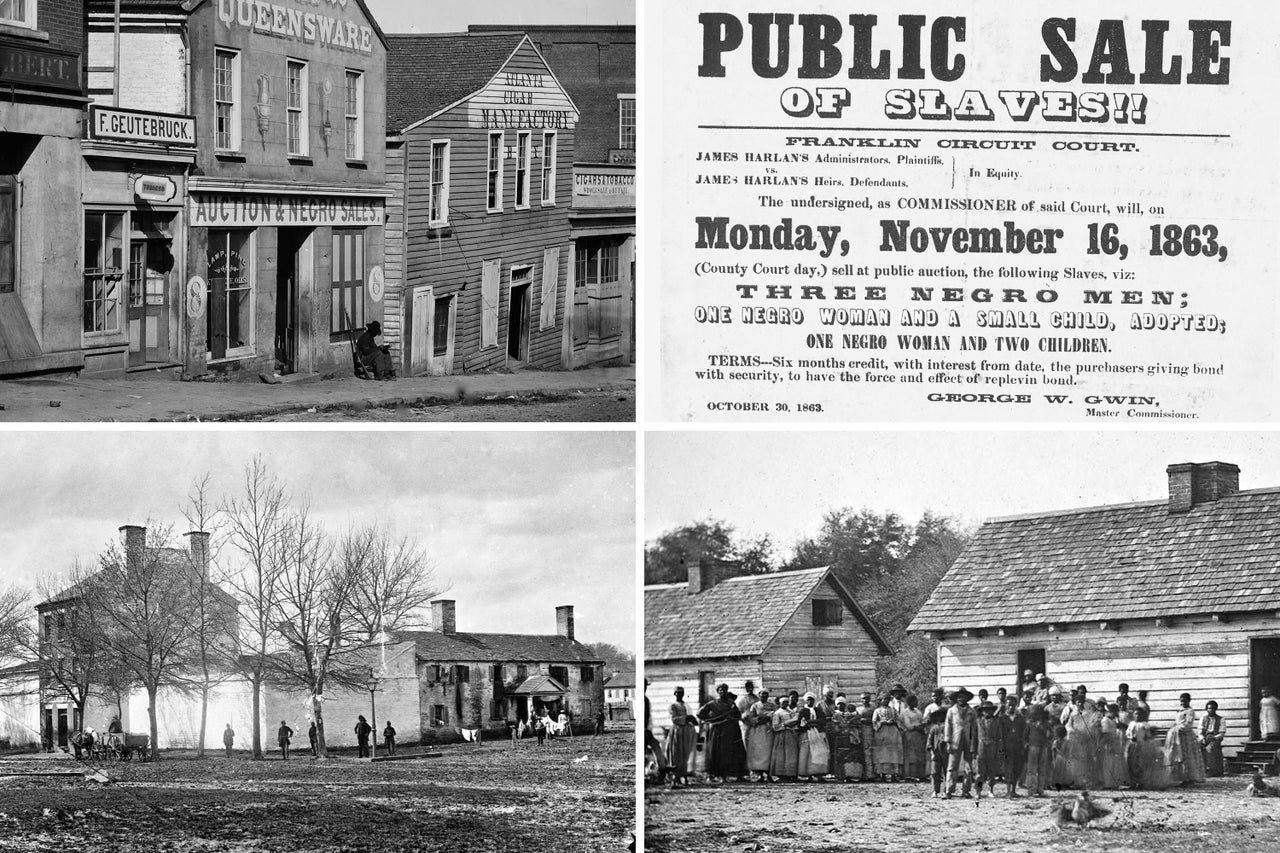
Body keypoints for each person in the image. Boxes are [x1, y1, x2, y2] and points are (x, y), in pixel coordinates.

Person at [699, 684, 748, 783]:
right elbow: (700, 714)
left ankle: (739, 775)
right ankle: (720, 775)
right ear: (718, 692)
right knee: (720, 752)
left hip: (732, 731)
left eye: (725, 690)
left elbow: (738, 715)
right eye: (720, 690)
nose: (723, 692)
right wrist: (712, 720)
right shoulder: (712, 704)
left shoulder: (731, 703)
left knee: (735, 752)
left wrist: (732, 716)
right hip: (719, 731)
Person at [1165, 692, 1206, 784]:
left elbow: (1187, 724)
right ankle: (1182, 778)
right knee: (1178, 755)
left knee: (1187, 755)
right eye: (1181, 701)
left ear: (1189, 701)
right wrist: (1173, 728)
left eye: (1184, 701)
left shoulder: (1190, 711)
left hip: (1185, 736)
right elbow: (1177, 722)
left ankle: (1189, 778)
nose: (1182, 703)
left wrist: (1177, 729)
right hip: (1177, 736)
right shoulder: (1180, 711)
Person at [944, 688, 977, 798]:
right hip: (955, 741)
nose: (961, 699)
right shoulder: (951, 711)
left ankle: (966, 790)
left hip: (968, 741)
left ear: (967, 698)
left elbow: (974, 729)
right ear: (956, 699)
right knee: (952, 766)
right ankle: (949, 790)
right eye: (959, 697)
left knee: (968, 767)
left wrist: (973, 745)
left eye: (963, 697)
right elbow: (948, 727)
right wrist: (948, 742)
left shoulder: (972, 712)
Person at [665, 686, 698, 787]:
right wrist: (686, 718)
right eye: (677, 693)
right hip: (677, 731)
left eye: (681, 693)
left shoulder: (686, 705)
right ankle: (676, 777)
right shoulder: (673, 706)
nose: (679, 694)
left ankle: (685, 776)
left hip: (686, 731)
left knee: (685, 753)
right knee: (676, 753)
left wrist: (692, 720)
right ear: (674, 694)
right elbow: (674, 719)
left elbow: (692, 718)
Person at [743, 688, 777, 782]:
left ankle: (769, 773)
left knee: (768, 750)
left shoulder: (772, 706)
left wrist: (770, 717)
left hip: (768, 730)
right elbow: (751, 718)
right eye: (762, 694)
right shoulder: (755, 706)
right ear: (759, 695)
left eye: (766, 694)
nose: (764, 696)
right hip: (757, 731)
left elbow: (776, 715)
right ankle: (759, 773)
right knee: (758, 751)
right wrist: (760, 719)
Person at [973, 702, 1006, 798]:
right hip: (981, 747)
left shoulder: (996, 722)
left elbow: (1000, 737)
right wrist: (973, 750)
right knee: (979, 772)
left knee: (992, 771)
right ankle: (978, 791)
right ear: (982, 712)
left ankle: (991, 790)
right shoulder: (978, 722)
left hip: (993, 747)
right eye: (985, 710)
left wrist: (1000, 751)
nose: (987, 712)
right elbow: (973, 737)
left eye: (990, 710)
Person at [797, 693, 829, 781]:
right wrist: (808, 724)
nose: (810, 701)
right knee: (807, 753)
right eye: (808, 700)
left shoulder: (818, 710)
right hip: (807, 733)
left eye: (812, 700)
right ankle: (808, 774)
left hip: (818, 733)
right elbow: (800, 722)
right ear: (806, 700)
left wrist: (813, 722)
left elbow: (823, 720)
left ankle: (819, 774)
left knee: (819, 752)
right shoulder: (803, 710)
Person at [769, 692, 800, 782]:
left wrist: (792, 724)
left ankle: (791, 774)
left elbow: (796, 721)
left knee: (791, 754)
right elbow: (775, 726)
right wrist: (785, 724)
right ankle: (781, 775)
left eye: (786, 702)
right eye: (783, 703)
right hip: (781, 735)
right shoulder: (777, 713)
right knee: (781, 755)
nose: (785, 704)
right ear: (780, 703)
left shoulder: (791, 712)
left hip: (791, 735)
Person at [1004, 699, 1028, 797]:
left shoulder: (1020, 719)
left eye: (1013, 705)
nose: (1011, 707)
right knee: (1008, 768)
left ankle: (1013, 790)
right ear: (1006, 705)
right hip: (1006, 747)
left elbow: (1024, 733)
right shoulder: (1002, 718)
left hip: (1018, 746)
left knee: (1017, 767)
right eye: (1009, 705)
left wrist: (1024, 745)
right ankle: (1008, 790)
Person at [900, 694, 927, 782]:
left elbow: (921, 720)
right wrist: (917, 727)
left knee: (920, 754)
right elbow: (908, 725)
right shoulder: (905, 712)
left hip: (919, 735)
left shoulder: (917, 711)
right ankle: (910, 775)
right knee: (911, 755)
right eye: (915, 701)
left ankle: (920, 774)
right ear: (910, 702)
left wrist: (923, 726)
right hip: (910, 735)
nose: (917, 703)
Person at [925, 707, 949, 797]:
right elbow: (929, 741)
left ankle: (946, 790)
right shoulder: (934, 728)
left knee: (947, 771)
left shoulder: (948, 727)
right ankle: (935, 790)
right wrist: (931, 751)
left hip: (946, 751)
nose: (940, 718)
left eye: (942, 716)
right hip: (936, 751)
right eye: (938, 716)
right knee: (935, 772)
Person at [1199, 701, 1225, 777]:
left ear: (1216, 709)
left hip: (1215, 738)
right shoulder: (1203, 718)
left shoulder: (1221, 719)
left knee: (1210, 748)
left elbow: (1222, 733)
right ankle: (1200, 770)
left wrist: (1214, 738)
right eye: (1209, 708)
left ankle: (1210, 770)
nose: (1211, 710)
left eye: (1213, 708)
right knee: (1197, 747)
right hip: (1205, 737)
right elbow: (1200, 731)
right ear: (1206, 709)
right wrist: (1202, 738)